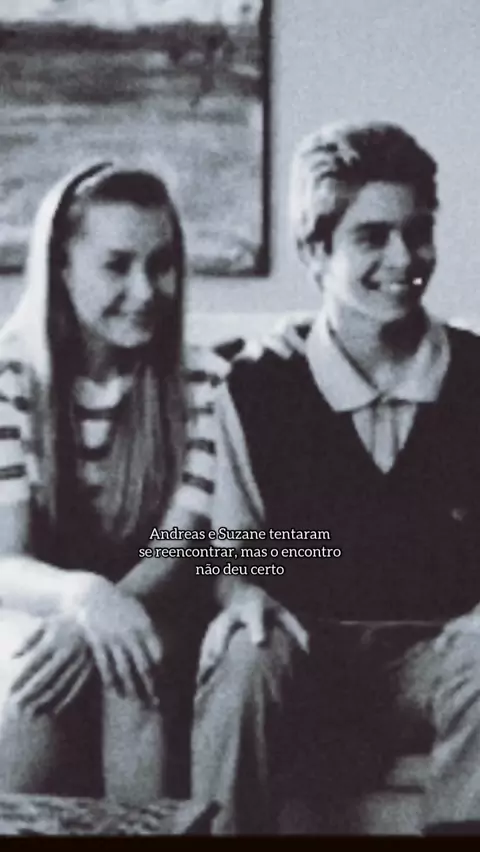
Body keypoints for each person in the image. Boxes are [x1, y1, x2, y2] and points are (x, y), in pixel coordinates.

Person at [190, 121, 480, 834]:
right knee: (244, 656)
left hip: (442, 658)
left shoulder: (476, 374)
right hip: (307, 652)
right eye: (372, 237)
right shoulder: (257, 387)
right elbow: (229, 551)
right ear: (314, 252)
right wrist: (242, 590)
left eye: (418, 232)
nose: (404, 258)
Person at [0, 161, 226, 801]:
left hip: (156, 602)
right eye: (117, 265)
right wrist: (82, 599)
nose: (145, 289)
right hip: (39, 603)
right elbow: (6, 558)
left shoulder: (206, 381)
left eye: (161, 264)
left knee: (132, 673)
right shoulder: (9, 377)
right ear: (61, 268)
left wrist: (103, 616)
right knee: (33, 676)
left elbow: (183, 546)